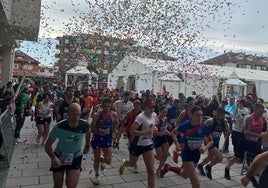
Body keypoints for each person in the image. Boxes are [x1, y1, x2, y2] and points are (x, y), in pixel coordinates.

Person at [160, 105, 213, 188]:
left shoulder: (204, 127)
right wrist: (177, 143)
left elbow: (211, 141)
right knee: (196, 183)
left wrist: (205, 148)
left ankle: (168, 167)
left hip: (196, 154)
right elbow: (173, 132)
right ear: (191, 115)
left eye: (201, 115)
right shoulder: (185, 125)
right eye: (197, 115)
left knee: (185, 175)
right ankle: (175, 157)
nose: (200, 118)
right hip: (187, 153)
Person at [44, 103, 91, 188]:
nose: (76, 118)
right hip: (59, 156)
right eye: (73, 115)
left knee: (71, 185)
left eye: (78, 115)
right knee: (58, 185)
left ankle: (69, 179)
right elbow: (47, 146)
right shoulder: (59, 127)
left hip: (76, 156)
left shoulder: (84, 125)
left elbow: (88, 132)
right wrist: (54, 158)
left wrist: (87, 145)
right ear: (68, 114)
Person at [119, 98, 158, 188]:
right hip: (137, 144)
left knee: (151, 171)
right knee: (132, 164)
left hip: (148, 144)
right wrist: (146, 132)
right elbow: (132, 131)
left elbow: (154, 125)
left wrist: (155, 128)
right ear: (145, 107)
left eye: (153, 107)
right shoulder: (141, 117)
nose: (152, 109)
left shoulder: (154, 116)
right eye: (150, 107)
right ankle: (124, 163)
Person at [224, 103, 267, 185]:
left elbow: (264, 130)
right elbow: (245, 132)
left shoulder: (263, 119)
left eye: (263, 111)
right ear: (254, 110)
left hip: (255, 143)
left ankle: (251, 176)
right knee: (237, 158)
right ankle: (227, 167)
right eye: (260, 111)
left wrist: (263, 134)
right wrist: (259, 135)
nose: (262, 113)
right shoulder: (248, 118)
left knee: (260, 159)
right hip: (245, 141)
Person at [90, 98, 119, 185]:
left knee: (108, 161)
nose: (107, 108)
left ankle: (103, 160)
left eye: (109, 106)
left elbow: (116, 124)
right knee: (96, 160)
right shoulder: (96, 115)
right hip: (97, 139)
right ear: (102, 106)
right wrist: (99, 131)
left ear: (111, 106)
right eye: (105, 106)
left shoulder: (113, 115)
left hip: (107, 139)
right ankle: (97, 175)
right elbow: (92, 129)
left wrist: (114, 132)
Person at [197, 107, 229, 179]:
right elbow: (201, 128)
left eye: (223, 116)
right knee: (220, 158)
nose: (222, 117)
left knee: (210, 157)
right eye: (220, 115)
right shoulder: (210, 121)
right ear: (216, 114)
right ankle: (208, 167)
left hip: (216, 141)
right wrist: (204, 138)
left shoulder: (224, 121)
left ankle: (200, 165)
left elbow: (225, 131)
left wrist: (227, 132)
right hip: (210, 142)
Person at [154, 105, 170, 175]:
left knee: (165, 155)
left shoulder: (165, 118)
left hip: (164, 138)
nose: (164, 114)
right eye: (163, 112)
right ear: (159, 112)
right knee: (160, 157)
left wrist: (168, 130)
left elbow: (165, 127)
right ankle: (151, 154)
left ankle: (159, 170)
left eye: (166, 112)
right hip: (157, 138)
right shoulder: (157, 120)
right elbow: (155, 133)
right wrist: (164, 132)